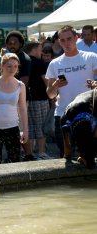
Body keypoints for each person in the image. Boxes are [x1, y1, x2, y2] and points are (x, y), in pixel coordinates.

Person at [46, 25, 97, 158]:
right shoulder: (54, 64)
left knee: (88, 155)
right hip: (63, 114)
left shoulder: (91, 57)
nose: (66, 43)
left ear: (76, 38)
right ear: (58, 41)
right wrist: (56, 85)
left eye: (69, 39)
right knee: (66, 155)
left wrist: (95, 85)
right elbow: (50, 94)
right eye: (62, 40)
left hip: (87, 115)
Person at [5, 30, 34, 161]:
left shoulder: (24, 59)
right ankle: (16, 155)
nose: (12, 45)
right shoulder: (9, 57)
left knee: (21, 127)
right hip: (10, 99)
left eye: (15, 43)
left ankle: (29, 155)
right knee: (14, 127)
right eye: (10, 43)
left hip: (20, 100)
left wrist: (16, 100)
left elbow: (24, 82)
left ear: (21, 44)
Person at [23, 42, 51, 159]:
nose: (42, 52)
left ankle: (30, 153)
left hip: (26, 99)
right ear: (34, 49)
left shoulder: (24, 61)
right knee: (41, 126)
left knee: (29, 126)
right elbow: (46, 82)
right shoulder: (40, 63)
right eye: (40, 49)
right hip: (40, 98)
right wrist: (53, 97)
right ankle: (41, 153)